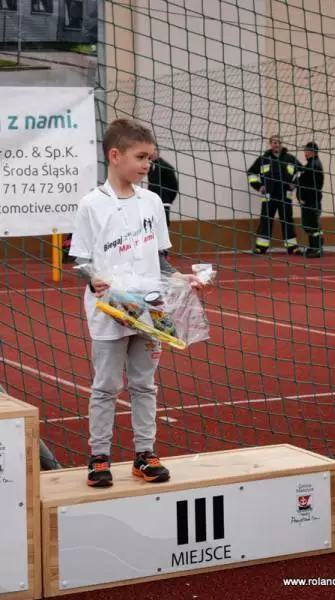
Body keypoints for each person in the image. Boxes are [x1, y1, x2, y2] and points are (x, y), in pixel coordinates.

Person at [69, 118, 203, 488]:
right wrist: (92, 278)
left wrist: (181, 279)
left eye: (150, 158)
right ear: (115, 156)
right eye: (141, 157)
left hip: (149, 310)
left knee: (145, 385)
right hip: (109, 312)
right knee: (106, 386)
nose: (147, 165)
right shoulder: (91, 205)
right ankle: (99, 457)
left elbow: (160, 261)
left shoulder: (152, 202)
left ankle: (145, 454)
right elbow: (80, 260)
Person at [247, 135, 303, 255]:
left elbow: (302, 172)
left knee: (287, 220)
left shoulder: (290, 159)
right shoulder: (263, 159)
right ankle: (261, 247)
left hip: (285, 196)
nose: (277, 145)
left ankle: (292, 247)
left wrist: (295, 183)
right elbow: (251, 173)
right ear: (270, 144)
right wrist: (259, 186)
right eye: (274, 142)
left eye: (278, 142)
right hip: (269, 196)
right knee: (266, 220)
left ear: (281, 144)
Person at [297, 142, 325, 258]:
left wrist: (304, 198)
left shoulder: (314, 165)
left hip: (311, 201)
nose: (305, 152)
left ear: (312, 151)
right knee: (309, 225)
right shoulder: (310, 164)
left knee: (313, 225)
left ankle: (317, 248)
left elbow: (310, 185)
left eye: (306, 150)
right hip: (308, 201)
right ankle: (313, 247)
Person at [147, 147, 179, 228]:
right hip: (151, 202)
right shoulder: (150, 166)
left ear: (157, 151)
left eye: (154, 150)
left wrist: (167, 199)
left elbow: (174, 186)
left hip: (163, 202)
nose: (151, 153)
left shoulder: (166, 167)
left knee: (162, 226)